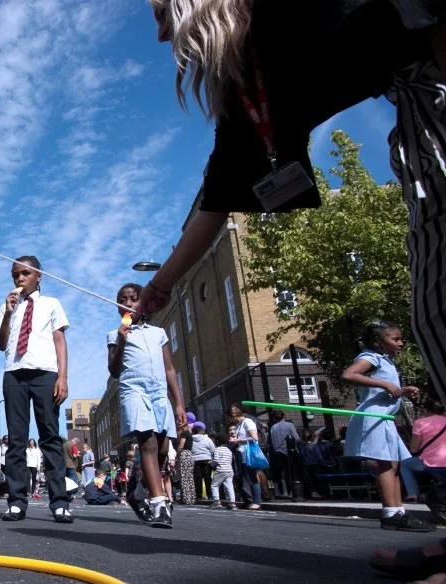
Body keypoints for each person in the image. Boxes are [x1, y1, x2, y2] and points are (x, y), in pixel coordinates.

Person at [140, 1, 446, 409]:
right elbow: (217, 202)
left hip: (433, 99)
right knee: (433, 316)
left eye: (163, 16)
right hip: (419, 133)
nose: (161, 35)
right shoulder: (243, 83)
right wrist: (160, 286)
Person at [0, 255, 72, 523]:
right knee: (16, 439)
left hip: (45, 373)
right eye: (15, 274)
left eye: (25, 274)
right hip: (14, 373)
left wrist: (62, 376)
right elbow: (2, 343)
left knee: (50, 436)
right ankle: (16, 501)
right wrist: (7, 312)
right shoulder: (8, 306)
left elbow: (59, 341)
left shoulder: (52, 304)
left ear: (39, 275)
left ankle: (60, 502)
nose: (19, 279)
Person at [107, 283, 187, 527]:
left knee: (163, 448)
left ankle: (139, 488)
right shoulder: (115, 334)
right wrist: (121, 340)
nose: (129, 303)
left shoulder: (158, 333)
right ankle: (159, 503)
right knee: (148, 443)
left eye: (133, 298)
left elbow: (170, 369)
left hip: (158, 392)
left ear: (143, 303)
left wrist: (179, 403)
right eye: (123, 300)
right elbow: (114, 370)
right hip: (134, 390)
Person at [342, 321, 433, 531]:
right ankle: (391, 513)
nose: (400, 343)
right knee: (384, 464)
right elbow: (349, 375)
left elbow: (385, 391)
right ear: (378, 342)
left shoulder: (386, 361)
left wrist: (401, 390)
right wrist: (385, 384)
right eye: (395, 339)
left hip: (385, 418)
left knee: (392, 465)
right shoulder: (370, 357)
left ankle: (397, 510)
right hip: (374, 418)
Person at [401, 394, 446, 507]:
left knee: (405, 465)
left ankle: (413, 494)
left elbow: (414, 448)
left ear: (426, 410)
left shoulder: (420, 423)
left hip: (430, 463)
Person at [227, 403, 264, 510]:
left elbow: (254, 437)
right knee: (243, 478)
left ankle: (257, 501)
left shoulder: (248, 422)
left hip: (249, 453)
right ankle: (248, 500)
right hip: (241, 453)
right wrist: (235, 441)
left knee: (252, 478)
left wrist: (237, 440)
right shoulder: (239, 425)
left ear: (235, 415)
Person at [269, 410, 301, 499]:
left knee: (280, 472)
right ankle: (292, 491)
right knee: (291, 472)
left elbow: (273, 441)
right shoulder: (289, 425)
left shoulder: (273, 427)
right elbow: (297, 438)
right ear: (284, 416)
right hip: (289, 452)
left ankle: (282, 492)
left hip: (278, 452)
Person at [210, 432, 237, 509]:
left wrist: (211, 463)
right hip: (229, 470)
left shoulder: (217, 449)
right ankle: (232, 502)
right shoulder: (228, 450)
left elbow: (216, 460)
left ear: (217, 441)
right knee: (229, 486)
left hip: (220, 470)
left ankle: (217, 502)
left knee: (214, 485)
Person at [190, 422, 215, 504]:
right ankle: (210, 495)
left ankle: (199, 496)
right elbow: (212, 449)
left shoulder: (190, 439)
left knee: (198, 478)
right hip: (206, 460)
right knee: (207, 478)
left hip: (195, 460)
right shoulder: (207, 439)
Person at [174, 417, 196, 505]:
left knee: (184, 477)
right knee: (189, 477)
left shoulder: (184, 433)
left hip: (184, 454)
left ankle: (186, 498)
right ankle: (191, 498)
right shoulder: (189, 433)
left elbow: (181, 446)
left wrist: (177, 455)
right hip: (189, 454)